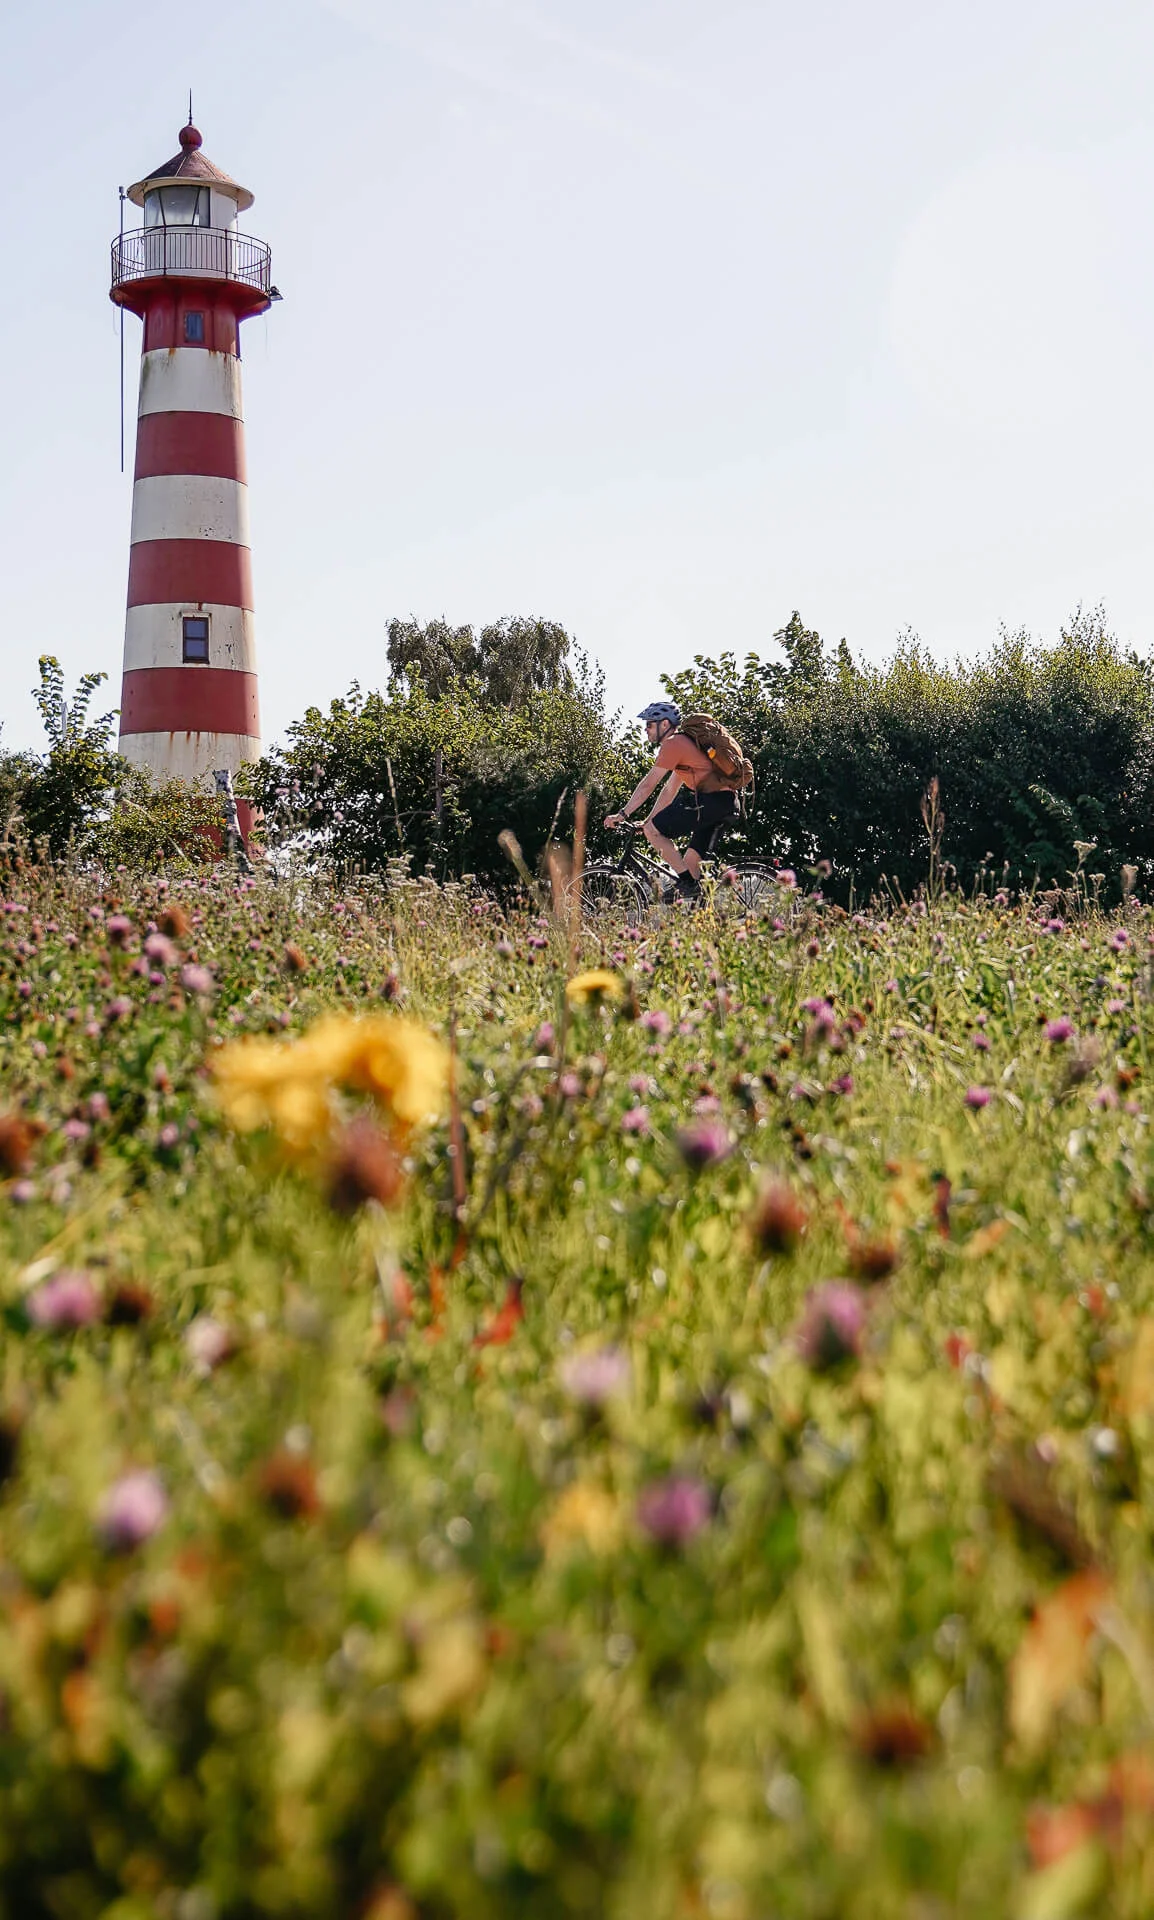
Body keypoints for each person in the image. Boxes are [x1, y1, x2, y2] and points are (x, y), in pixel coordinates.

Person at [605, 701, 739, 902]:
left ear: (665, 724)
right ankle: (702, 914)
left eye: (649, 724)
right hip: (724, 804)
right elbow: (669, 791)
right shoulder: (684, 745)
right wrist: (649, 820)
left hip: (713, 802)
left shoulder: (673, 744)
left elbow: (648, 784)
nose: (645, 730)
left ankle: (688, 883)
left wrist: (622, 815)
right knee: (690, 865)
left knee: (680, 870)